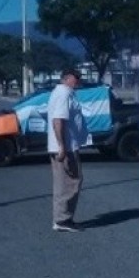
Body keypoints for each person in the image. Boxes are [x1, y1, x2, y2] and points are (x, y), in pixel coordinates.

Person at [47, 68, 89, 232]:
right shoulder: (64, 94)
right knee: (70, 182)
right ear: (67, 78)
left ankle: (63, 218)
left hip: (67, 145)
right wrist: (62, 146)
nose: (78, 80)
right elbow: (58, 120)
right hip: (65, 147)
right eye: (76, 77)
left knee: (66, 182)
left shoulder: (63, 93)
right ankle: (62, 220)